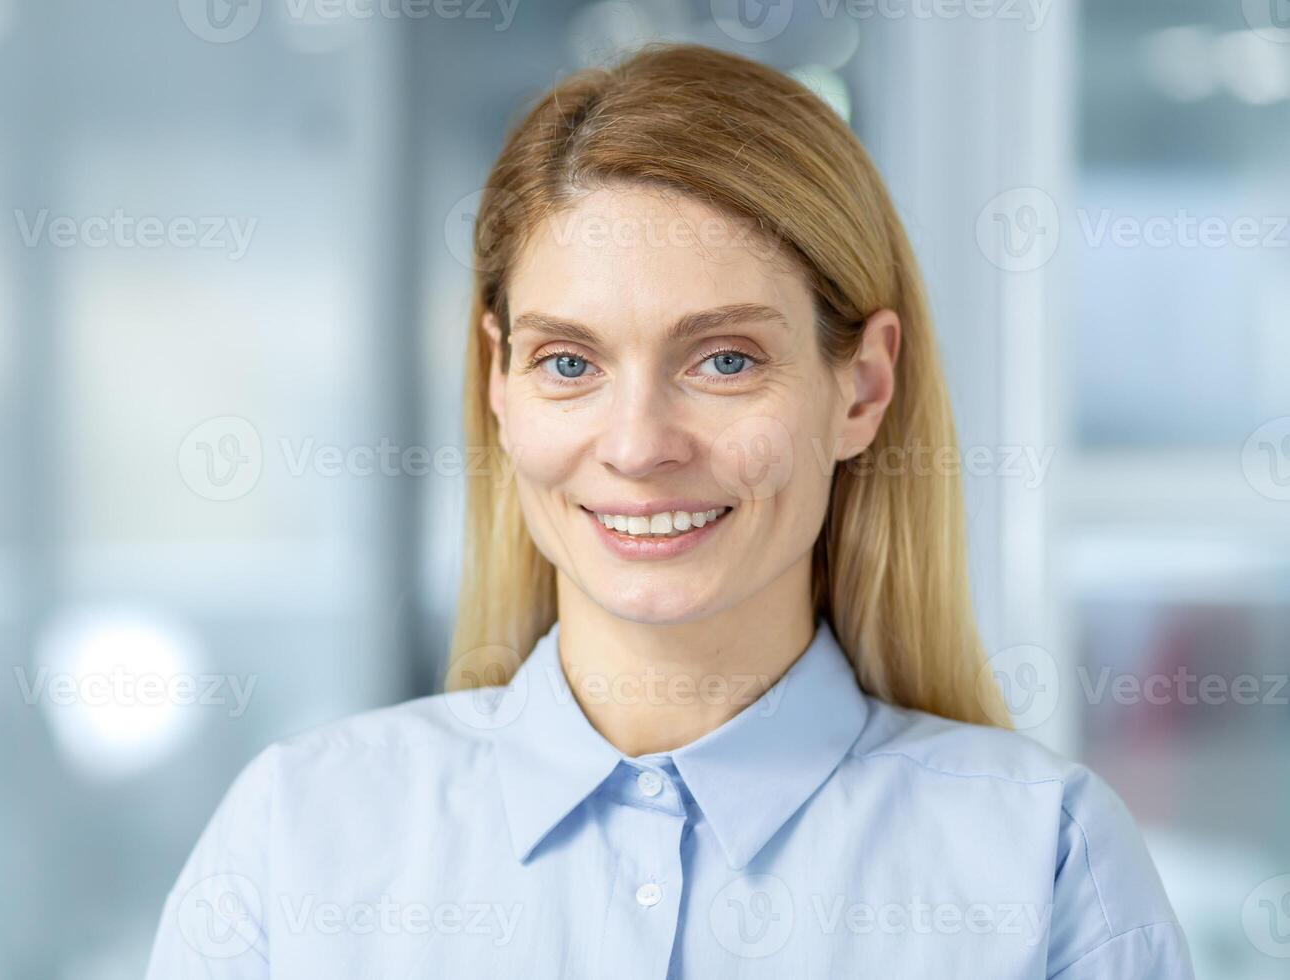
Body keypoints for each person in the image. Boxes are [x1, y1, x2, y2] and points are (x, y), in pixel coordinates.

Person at [144, 42, 1194, 978]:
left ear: (862, 388)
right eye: (569, 361)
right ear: (497, 381)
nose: (640, 443)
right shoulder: (296, 841)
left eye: (725, 359)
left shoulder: (1045, 862)